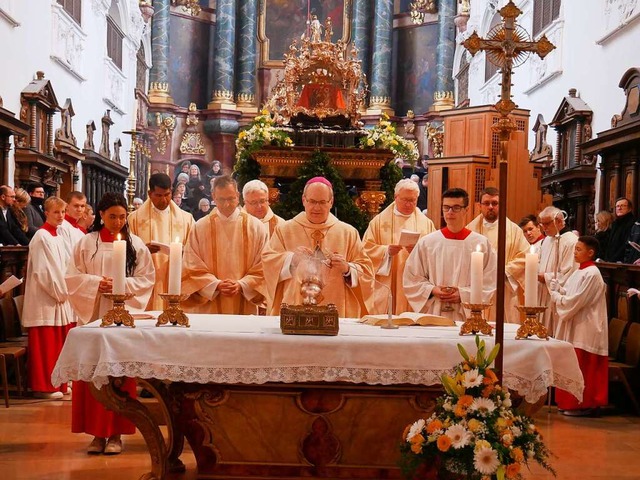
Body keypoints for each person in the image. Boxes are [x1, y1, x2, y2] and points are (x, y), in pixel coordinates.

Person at [65, 192, 155, 455]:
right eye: (112, 216)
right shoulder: (86, 243)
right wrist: (96, 284)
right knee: (93, 373)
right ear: (101, 215)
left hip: (121, 319)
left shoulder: (135, 244)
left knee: (118, 373)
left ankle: (116, 433)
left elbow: (146, 279)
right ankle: (96, 434)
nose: (118, 222)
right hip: (93, 316)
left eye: (122, 217)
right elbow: (72, 276)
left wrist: (119, 285)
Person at [262, 177, 374, 318]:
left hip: (336, 310)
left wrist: (347, 269)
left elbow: (367, 272)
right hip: (294, 308)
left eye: (322, 202)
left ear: (331, 202)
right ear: (304, 200)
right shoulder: (284, 230)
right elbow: (268, 261)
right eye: (312, 201)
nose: (316, 208)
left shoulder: (348, 232)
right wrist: (291, 259)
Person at [403, 188, 496, 322]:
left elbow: (490, 280)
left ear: (466, 210)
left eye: (456, 208)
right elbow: (412, 277)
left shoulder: (480, 243)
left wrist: (463, 294)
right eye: (446, 208)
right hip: (434, 312)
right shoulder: (428, 242)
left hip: (467, 315)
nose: (450, 212)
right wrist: (432, 290)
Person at [182, 175, 268, 314]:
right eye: (221, 200)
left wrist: (242, 285)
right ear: (213, 197)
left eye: (231, 199)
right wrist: (216, 285)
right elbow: (191, 266)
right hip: (210, 307)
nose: (226, 204)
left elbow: (264, 265)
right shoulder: (200, 227)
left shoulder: (256, 227)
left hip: (244, 305)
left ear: (238, 195)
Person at [22, 196, 75, 399]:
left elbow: (66, 265)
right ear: (47, 213)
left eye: (62, 212)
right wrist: (61, 291)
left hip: (59, 297)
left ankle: (59, 384)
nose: (60, 216)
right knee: (46, 344)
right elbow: (44, 272)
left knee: (57, 344)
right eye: (56, 212)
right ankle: (44, 386)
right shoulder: (41, 237)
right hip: (46, 298)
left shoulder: (58, 236)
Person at [549, 236, 608, 416]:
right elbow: (571, 292)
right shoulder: (579, 271)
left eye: (579, 249)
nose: (575, 252)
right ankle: (568, 403)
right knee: (572, 364)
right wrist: (558, 288)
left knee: (583, 366)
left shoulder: (592, 273)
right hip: (576, 324)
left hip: (586, 327)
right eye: (575, 249)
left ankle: (583, 404)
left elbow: (577, 300)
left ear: (590, 253)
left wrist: (557, 297)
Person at [363, 179, 435, 314]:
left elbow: (435, 253)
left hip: (415, 283)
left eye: (413, 200)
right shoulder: (378, 222)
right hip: (388, 282)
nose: (409, 204)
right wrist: (385, 251)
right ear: (396, 197)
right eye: (405, 200)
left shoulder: (426, 223)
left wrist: (418, 252)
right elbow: (365, 250)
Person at [128, 173, 195, 310]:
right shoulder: (134, 219)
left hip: (175, 279)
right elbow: (126, 252)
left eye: (167, 195)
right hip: (146, 281)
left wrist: (182, 252)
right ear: (150, 193)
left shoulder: (186, 219)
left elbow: (195, 250)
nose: (164, 200)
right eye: (159, 195)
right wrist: (142, 250)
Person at [467, 187, 530, 323]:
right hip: (479, 288)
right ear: (479, 206)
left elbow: (524, 255)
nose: (490, 207)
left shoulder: (514, 231)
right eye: (486, 203)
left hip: (504, 288)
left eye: (495, 203)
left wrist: (504, 272)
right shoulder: (469, 230)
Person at [537, 206, 578, 333]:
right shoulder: (547, 240)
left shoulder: (571, 241)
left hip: (558, 295)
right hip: (543, 293)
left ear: (559, 221)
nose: (544, 227)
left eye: (547, 224)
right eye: (542, 224)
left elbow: (570, 273)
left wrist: (546, 277)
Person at [605, 197, 635, 262]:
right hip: (611, 261)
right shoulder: (615, 223)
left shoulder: (633, 223)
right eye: (617, 206)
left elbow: (627, 243)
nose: (619, 208)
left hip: (623, 262)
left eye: (623, 206)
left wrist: (614, 259)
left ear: (629, 208)